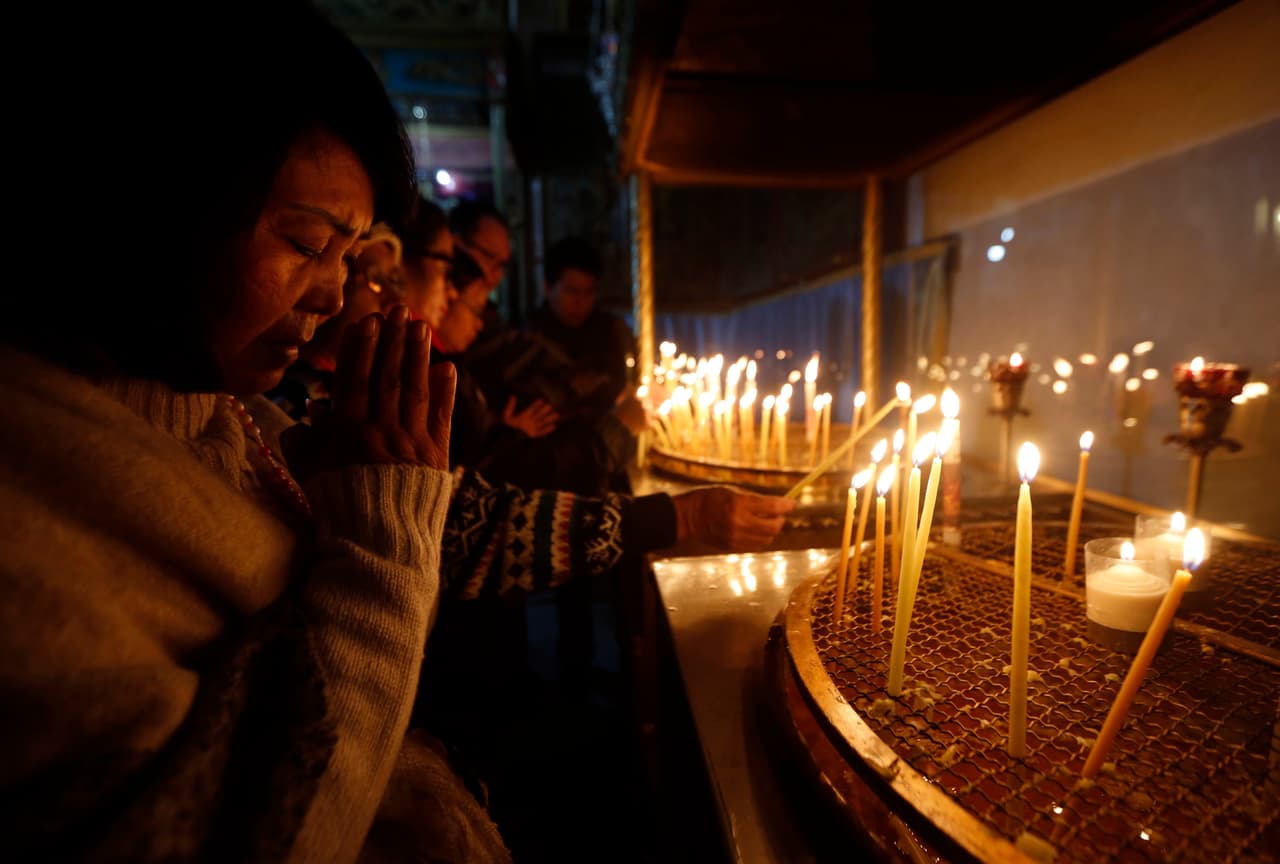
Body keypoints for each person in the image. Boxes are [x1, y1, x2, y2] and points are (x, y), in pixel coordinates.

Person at [0, 4, 512, 862]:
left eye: (349, 257)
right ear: (156, 205)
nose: (334, 295)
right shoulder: (33, 512)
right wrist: (383, 547)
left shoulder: (240, 425)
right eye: (307, 243)